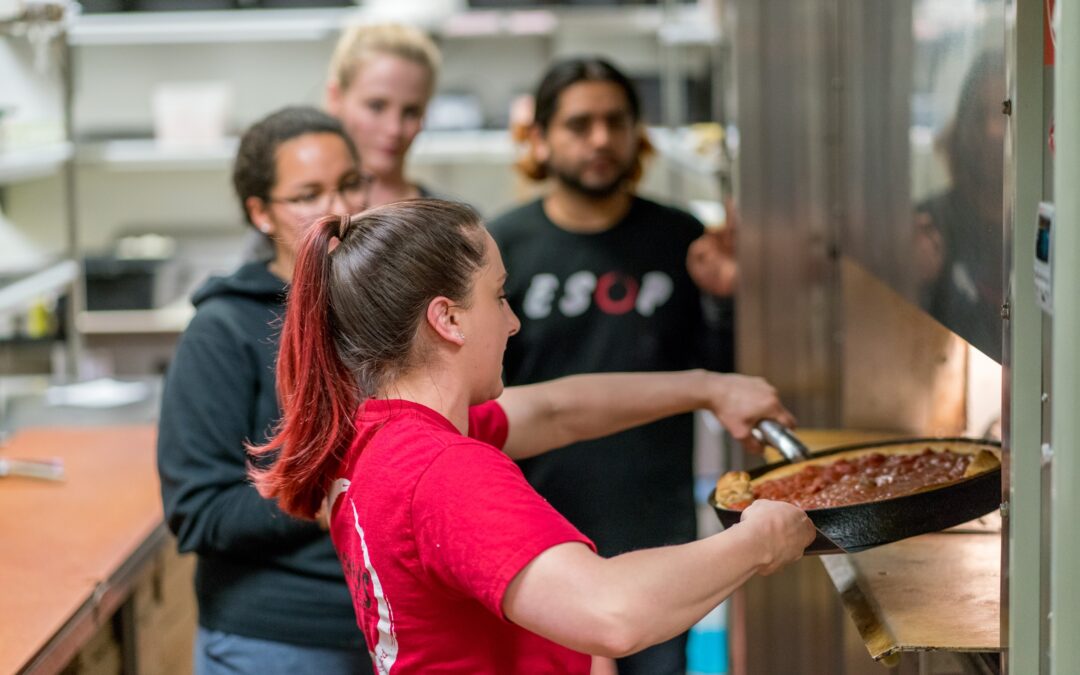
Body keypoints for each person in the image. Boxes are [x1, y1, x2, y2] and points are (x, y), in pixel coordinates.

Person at [250, 198, 816, 673]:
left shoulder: (382, 436)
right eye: (498, 296)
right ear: (448, 319)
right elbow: (613, 613)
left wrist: (708, 388)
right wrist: (759, 540)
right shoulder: (443, 470)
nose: (513, 321)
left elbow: (555, 409)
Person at [488, 56, 734, 674]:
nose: (600, 139)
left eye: (614, 122)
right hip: (533, 529)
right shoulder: (499, 249)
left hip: (654, 523)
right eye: (579, 124)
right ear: (540, 138)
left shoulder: (681, 238)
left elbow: (720, 379)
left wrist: (724, 301)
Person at [156, 106, 375, 674]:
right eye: (308, 194)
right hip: (281, 641)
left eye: (352, 184)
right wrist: (328, 499)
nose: (341, 210)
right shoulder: (223, 329)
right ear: (261, 213)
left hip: (391, 630)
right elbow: (200, 511)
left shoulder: (384, 314)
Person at [913, 50, 1005, 359]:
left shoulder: (1039, 228)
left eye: (1005, 112)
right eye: (980, 115)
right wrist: (920, 281)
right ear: (963, 127)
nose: (994, 131)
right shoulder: (931, 224)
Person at [325, 23, 442, 207]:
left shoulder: (454, 226)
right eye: (376, 106)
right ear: (336, 98)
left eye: (411, 112)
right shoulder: (295, 220)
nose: (394, 129)